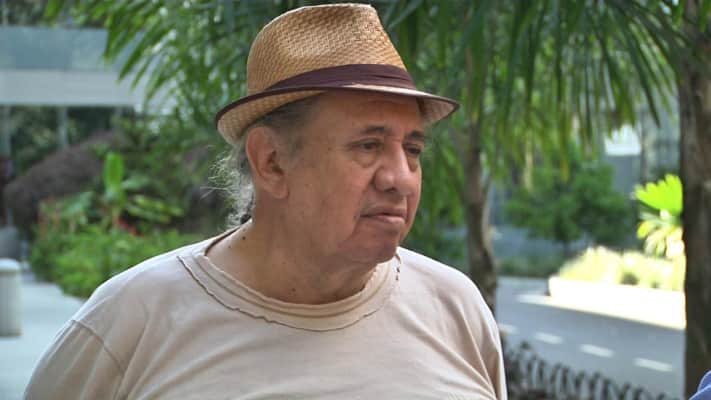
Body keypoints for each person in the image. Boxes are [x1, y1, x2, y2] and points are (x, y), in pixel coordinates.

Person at [25, 4, 507, 399]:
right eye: (368, 145)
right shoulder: (132, 321)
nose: (400, 178)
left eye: (413, 150)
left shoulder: (454, 307)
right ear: (271, 162)